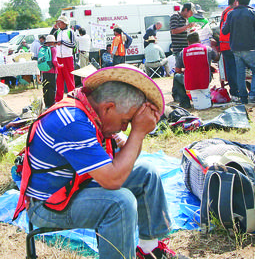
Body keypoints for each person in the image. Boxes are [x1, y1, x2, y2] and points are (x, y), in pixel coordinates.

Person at [14, 64, 187, 259]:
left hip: (76, 186)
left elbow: (124, 165)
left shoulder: (89, 107)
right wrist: (138, 133)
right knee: (120, 203)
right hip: (47, 205)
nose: (123, 127)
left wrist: (138, 133)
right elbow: (112, 180)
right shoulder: (72, 121)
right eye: (125, 121)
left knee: (146, 172)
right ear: (108, 108)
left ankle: (149, 250)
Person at [221, 0, 255, 104]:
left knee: (240, 73)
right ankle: (252, 95)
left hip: (236, 49)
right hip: (251, 47)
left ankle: (243, 97)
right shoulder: (253, 13)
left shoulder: (231, 14)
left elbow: (224, 30)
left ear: (237, 0)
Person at [173, 32, 219, 108]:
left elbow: (177, 70)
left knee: (176, 77)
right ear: (199, 40)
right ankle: (207, 99)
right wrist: (213, 46)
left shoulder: (183, 52)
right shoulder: (207, 49)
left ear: (188, 42)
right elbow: (217, 58)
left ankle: (185, 102)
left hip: (190, 81)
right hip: (206, 79)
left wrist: (184, 71)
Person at [219, 0, 240, 100]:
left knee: (231, 69)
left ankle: (235, 92)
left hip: (225, 45)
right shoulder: (232, 12)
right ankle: (235, 93)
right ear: (236, 1)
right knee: (233, 69)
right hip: (230, 45)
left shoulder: (225, 11)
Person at [53, 15, 76, 102]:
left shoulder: (70, 32)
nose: (59, 24)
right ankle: (58, 99)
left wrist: (62, 42)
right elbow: (51, 39)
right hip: (59, 57)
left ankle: (72, 97)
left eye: (60, 22)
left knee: (69, 78)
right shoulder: (57, 32)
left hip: (68, 58)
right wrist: (54, 29)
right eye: (58, 22)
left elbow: (73, 45)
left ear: (65, 23)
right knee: (59, 79)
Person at [40, 35, 58, 109]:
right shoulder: (53, 49)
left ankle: (46, 104)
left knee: (45, 87)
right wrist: (59, 65)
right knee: (52, 87)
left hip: (44, 70)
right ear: (53, 42)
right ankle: (52, 103)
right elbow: (54, 61)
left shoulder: (41, 49)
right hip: (52, 71)